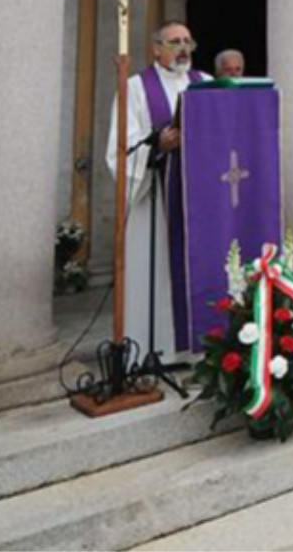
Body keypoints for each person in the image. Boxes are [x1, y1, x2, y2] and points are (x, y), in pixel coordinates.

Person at [104, 21, 209, 355]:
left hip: (198, 201)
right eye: (174, 41)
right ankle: (156, 350)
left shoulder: (205, 84)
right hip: (157, 200)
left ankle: (200, 350)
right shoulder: (135, 87)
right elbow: (121, 146)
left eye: (188, 41)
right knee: (157, 276)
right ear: (156, 49)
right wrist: (157, 145)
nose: (183, 48)